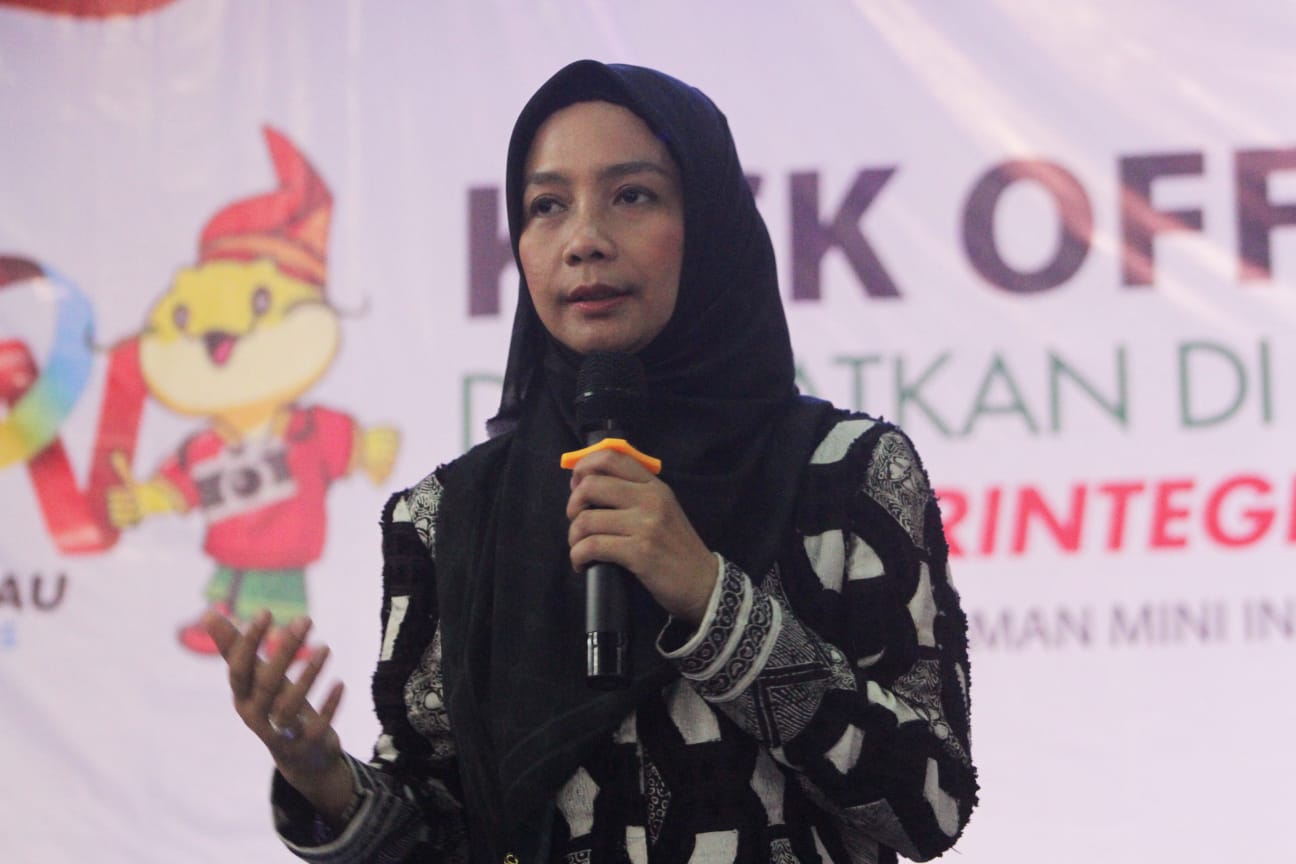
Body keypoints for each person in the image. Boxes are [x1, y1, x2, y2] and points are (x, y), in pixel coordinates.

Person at [206, 59, 978, 864]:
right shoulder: (447, 518)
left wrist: (711, 600)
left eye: (632, 196)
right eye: (547, 206)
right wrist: (327, 785)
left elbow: (932, 805)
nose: (584, 241)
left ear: (708, 221)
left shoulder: (845, 474)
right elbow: (444, 835)